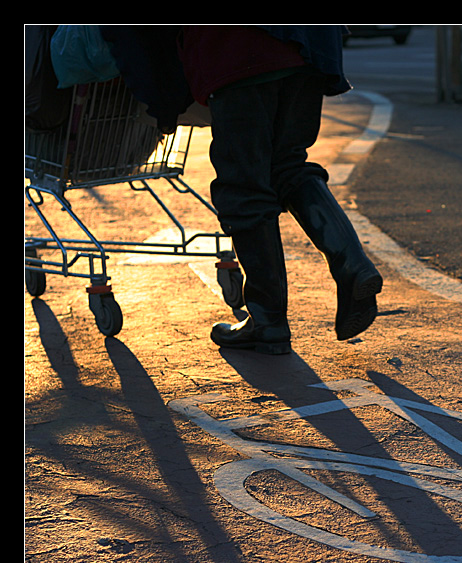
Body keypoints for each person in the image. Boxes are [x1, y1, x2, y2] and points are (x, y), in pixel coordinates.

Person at [105, 25, 382, 354]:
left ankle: (269, 321)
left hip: (237, 48)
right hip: (306, 46)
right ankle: (352, 265)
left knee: (243, 187)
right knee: (288, 165)